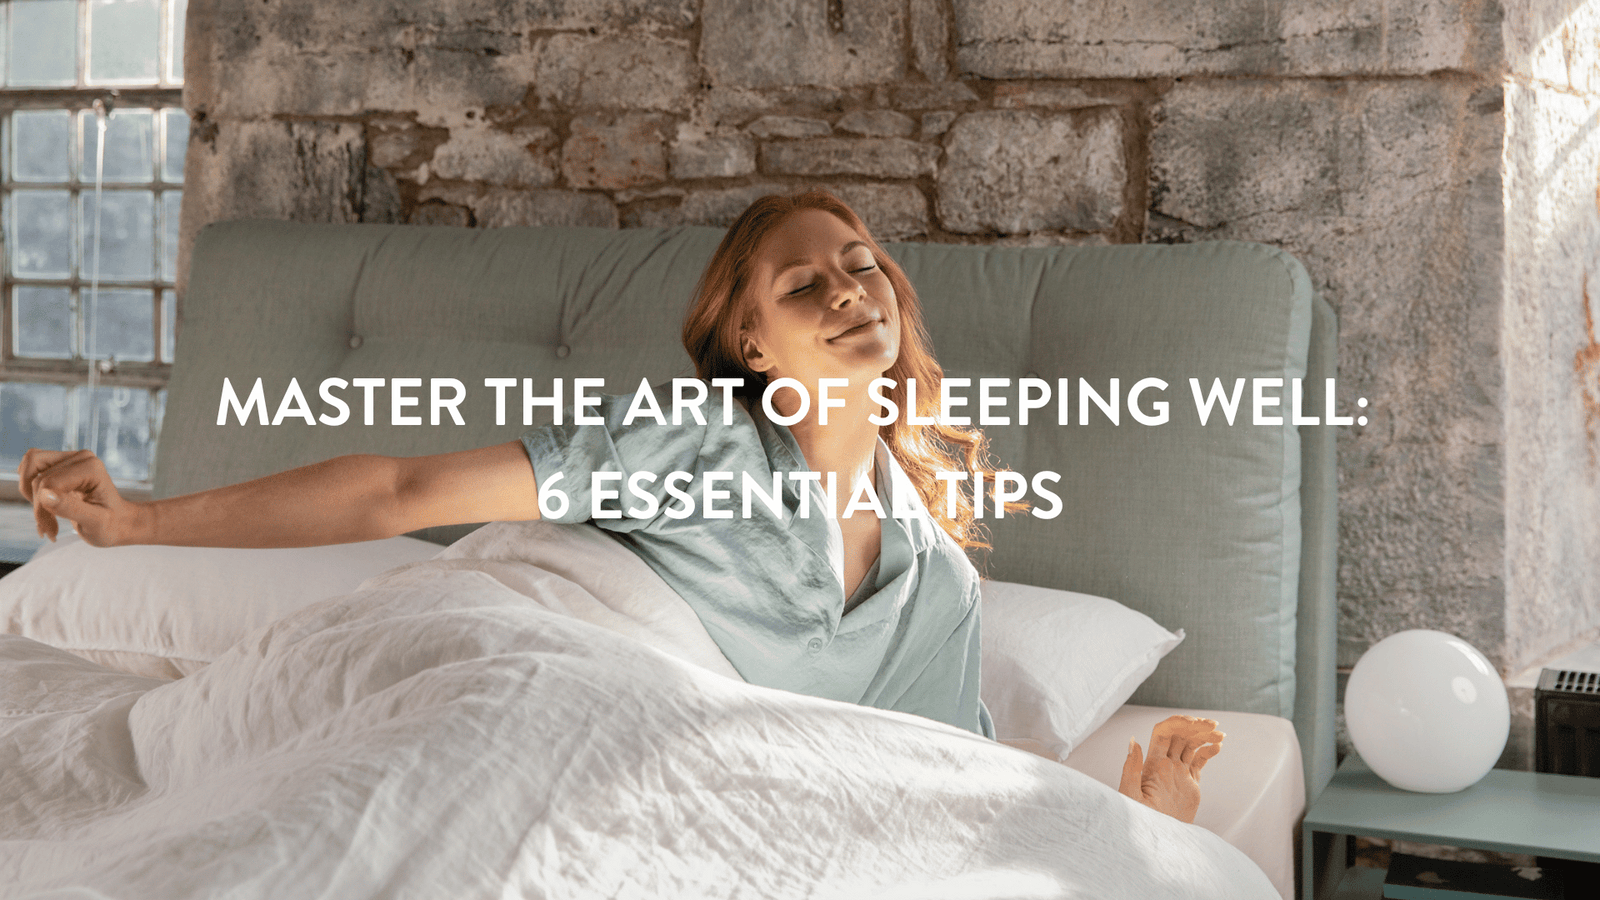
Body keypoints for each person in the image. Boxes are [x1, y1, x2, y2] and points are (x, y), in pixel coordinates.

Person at [16, 189, 1223, 823]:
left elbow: (941, 769)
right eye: (805, 283)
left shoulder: (931, 575)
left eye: (861, 263)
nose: (851, 290)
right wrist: (141, 521)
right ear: (749, 339)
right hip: (519, 690)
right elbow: (402, 490)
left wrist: (1124, 820)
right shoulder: (692, 439)